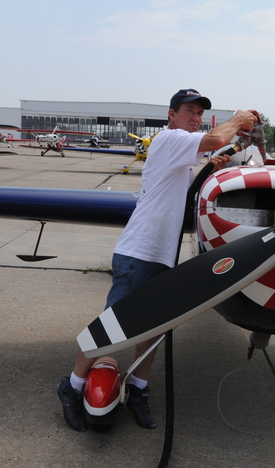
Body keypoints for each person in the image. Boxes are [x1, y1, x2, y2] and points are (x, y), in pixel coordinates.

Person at [58, 89, 260, 432]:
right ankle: (72, 386)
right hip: (139, 252)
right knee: (112, 328)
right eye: (189, 110)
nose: (195, 117)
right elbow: (214, 139)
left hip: (160, 255)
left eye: (199, 113)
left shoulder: (180, 154)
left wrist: (209, 167)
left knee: (153, 329)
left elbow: (182, 189)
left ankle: (138, 390)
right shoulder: (169, 139)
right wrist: (238, 119)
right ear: (172, 114)